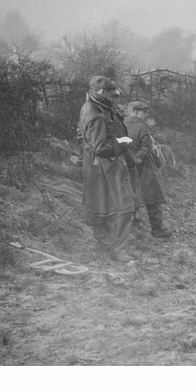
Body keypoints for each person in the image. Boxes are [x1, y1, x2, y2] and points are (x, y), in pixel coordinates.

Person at [78, 73, 137, 261]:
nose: (113, 94)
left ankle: (105, 247)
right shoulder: (95, 113)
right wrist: (123, 144)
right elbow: (99, 147)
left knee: (103, 207)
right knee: (123, 207)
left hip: (102, 165)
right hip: (105, 165)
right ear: (99, 91)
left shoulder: (99, 106)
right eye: (109, 91)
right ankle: (118, 250)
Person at [124, 100, 172, 238]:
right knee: (153, 197)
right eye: (144, 112)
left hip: (127, 166)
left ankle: (131, 223)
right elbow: (146, 147)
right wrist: (138, 158)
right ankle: (157, 229)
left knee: (131, 194)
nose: (146, 115)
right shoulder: (143, 127)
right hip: (144, 166)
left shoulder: (122, 124)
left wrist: (130, 160)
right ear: (136, 112)